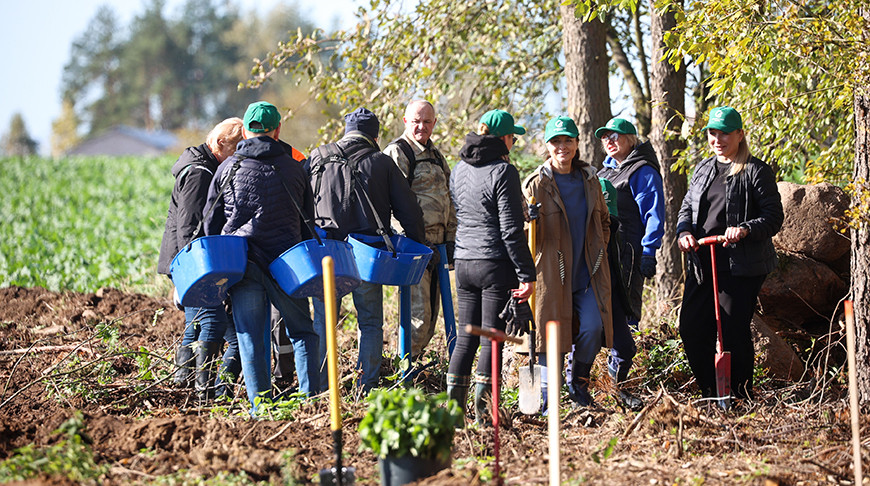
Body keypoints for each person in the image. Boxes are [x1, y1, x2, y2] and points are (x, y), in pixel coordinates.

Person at [203, 101, 321, 412]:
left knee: (251, 336)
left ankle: (261, 407)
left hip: (245, 265)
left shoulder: (228, 168)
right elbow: (308, 218)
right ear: (278, 130)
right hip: (288, 265)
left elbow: (209, 223)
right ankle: (311, 403)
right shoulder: (295, 168)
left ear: (244, 131)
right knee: (303, 332)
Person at [307, 107, 426, 393]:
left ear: (347, 131)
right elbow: (408, 211)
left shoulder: (318, 157)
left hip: (326, 253)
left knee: (324, 320)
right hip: (367, 254)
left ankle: (321, 388)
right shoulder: (382, 163)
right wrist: (419, 244)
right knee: (370, 321)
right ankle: (366, 385)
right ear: (375, 135)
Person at [676, 106, 783, 401]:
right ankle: (711, 392)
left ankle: (740, 394)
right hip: (703, 261)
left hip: (741, 264)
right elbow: (686, 208)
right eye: (713, 133)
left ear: (740, 134)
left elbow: (773, 217)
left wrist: (745, 229)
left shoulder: (756, 171)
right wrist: (684, 232)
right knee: (692, 327)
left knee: (733, 328)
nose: (718, 139)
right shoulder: (702, 169)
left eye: (725, 133)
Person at [446, 109, 535, 425]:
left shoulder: (457, 169)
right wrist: (527, 274)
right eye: (513, 136)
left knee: (465, 338)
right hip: (493, 265)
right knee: (491, 339)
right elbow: (511, 230)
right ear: (504, 138)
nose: (514, 142)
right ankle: (485, 417)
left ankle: (454, 416)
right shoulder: (503, 171)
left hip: (464, 262)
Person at [521, 116, 612, 409]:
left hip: (586, 274)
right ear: (548, 146)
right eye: (556, 141)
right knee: (551, 335)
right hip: (550, 275)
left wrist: (598, 248)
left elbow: (604, 221)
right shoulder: (535, 184)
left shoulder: (590, 180)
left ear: (577, 144)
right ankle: (548, 400)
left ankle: (578, 382)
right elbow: (523, 233)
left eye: (568, 141)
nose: (563, 147)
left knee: (593, 329)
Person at [157, 117, 243, 403]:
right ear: (220, 143)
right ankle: (205, 393)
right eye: (237, 149)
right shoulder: (200, 173)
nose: (239, 156)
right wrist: (193, 275)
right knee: (215, 325)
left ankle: (185, 384)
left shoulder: (204, 166)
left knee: (197, 325)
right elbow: (189, 228)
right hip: (193, 263)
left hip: (189, 262)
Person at [595, 117, 664, 409]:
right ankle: (600, 384)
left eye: (617, 135)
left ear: (631, 139)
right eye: (606, 136)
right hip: (602, 254)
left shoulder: (642, 171)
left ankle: (617, 383)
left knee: (626, 316)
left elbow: (654, 213)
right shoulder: (604, 171)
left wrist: (649, 251)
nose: (610, 140)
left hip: (631, 253)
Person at [383, 100, 457, 358]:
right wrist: (411, 244)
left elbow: (449, 197)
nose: (421, 127)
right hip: (414, 249)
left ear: (434, 123)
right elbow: (390, 204)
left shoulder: (436, 155)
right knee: (418, 320)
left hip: (438, 249)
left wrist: (450, 239)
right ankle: (402, 376)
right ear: (405, 121)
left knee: (432, 322)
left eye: (427, 122)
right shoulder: (398, 152)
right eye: (416, 121)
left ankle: (416, 376)